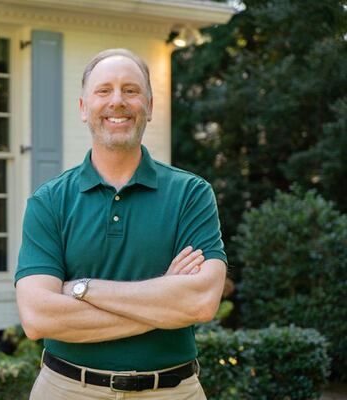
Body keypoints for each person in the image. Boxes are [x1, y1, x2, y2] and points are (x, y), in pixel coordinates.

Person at [15, 48, 227, 399]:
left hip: (171, 392)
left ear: (150, 106)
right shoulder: (49, 201)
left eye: (130, 90)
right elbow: (38, 318)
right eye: (104, 90)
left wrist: (81, 289)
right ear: (84, 108)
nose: (117, 101)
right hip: (67, 390)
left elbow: (200, 303)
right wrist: (164, 303)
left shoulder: (191, 194)